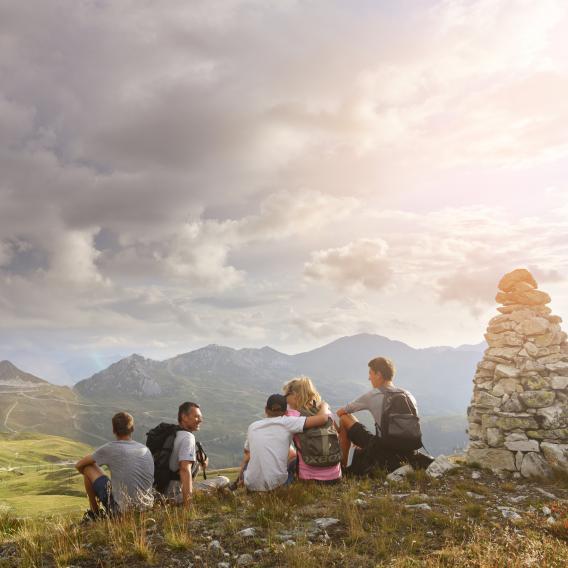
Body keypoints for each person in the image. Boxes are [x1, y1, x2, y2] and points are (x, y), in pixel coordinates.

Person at [337, 356, 427, 474]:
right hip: (410, 449)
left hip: (383, 449)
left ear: (378, 374)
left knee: (344, 419)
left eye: (370, 373)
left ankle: (341, 468)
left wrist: (351, 436)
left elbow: (341, 412)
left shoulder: (373, 395)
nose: (369, 378)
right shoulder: (408, 395)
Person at [235, 394, 332, 492]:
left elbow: (247, 454)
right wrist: (324, 405)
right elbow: (323, 418)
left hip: (252, 485)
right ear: (286, 412)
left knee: (253, 457)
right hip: (277, 486)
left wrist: (240, 476)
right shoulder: (288, 422)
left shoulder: (253, 426)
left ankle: (241, 482)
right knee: (294, 457)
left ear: (265, 409)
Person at [75, 412, 154, 520]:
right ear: (132, 429)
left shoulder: (111, 448)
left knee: (88, 468)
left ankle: (95, 514)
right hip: (147, 507)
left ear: (113, 430)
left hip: (121, 512)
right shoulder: (145, 449)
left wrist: (92, 482)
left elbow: (79, 465)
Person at [166, 401, 230, 507]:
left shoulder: (173, 434)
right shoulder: (188, 437)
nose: (200, 420)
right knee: (224, 480)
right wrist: (188, 504)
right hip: (175, 495)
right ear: (184, 417)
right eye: (196, 417)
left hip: (159, 492)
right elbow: (184, 469)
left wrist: (198, 465)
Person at [283, 377, 341, 484]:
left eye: (286, 395)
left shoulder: (292, 415)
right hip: (334, 476)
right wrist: (324, 406)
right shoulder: (326, 412)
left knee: (291, 458)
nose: (285, 399)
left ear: (295, 395)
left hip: (309, 479)